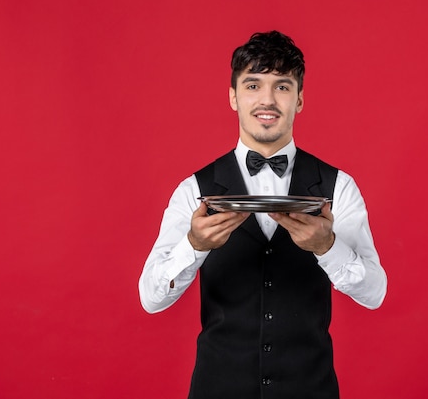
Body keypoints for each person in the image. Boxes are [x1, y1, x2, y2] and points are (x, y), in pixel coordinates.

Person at [138, 30, 387, 399]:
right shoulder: (194, 190)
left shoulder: (338, 187)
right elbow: (151, 298)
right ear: (233, 97)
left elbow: (375, 293)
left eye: (282, 87)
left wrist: (327, 247)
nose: (267, 100)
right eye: (253, 85)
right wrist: (195, 244)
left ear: (299, 99)